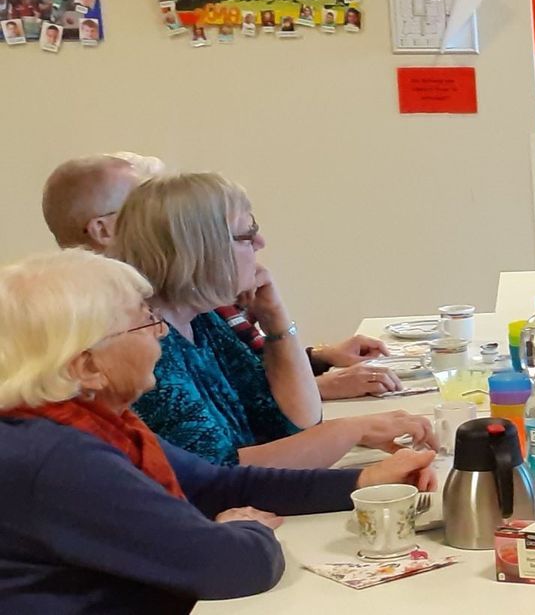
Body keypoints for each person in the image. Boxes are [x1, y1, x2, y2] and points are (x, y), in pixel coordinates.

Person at [0, 250, 436, 614]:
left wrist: (363, 481)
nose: (160, 333)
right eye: (144, 322)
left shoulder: (92, 423)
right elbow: (231, 567)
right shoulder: (59, 459)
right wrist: (242, 529)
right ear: (87, 366)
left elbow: (217, 484)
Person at [108, 172, 431, 467]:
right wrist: (352, 430)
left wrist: (276, 320)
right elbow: (219, 474)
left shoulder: (203, 320)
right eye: (247, 234)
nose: (260, 243)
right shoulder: (145, 346)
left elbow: (292, 423)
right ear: (200, 250)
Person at [41, 155, 402, 401]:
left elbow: (249, 379)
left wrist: (316, 356)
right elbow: (221, 445)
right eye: (140, 204)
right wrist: (324, 392)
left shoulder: (191, 306)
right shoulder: (123, 325)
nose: (163, 215)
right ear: (102, 230)